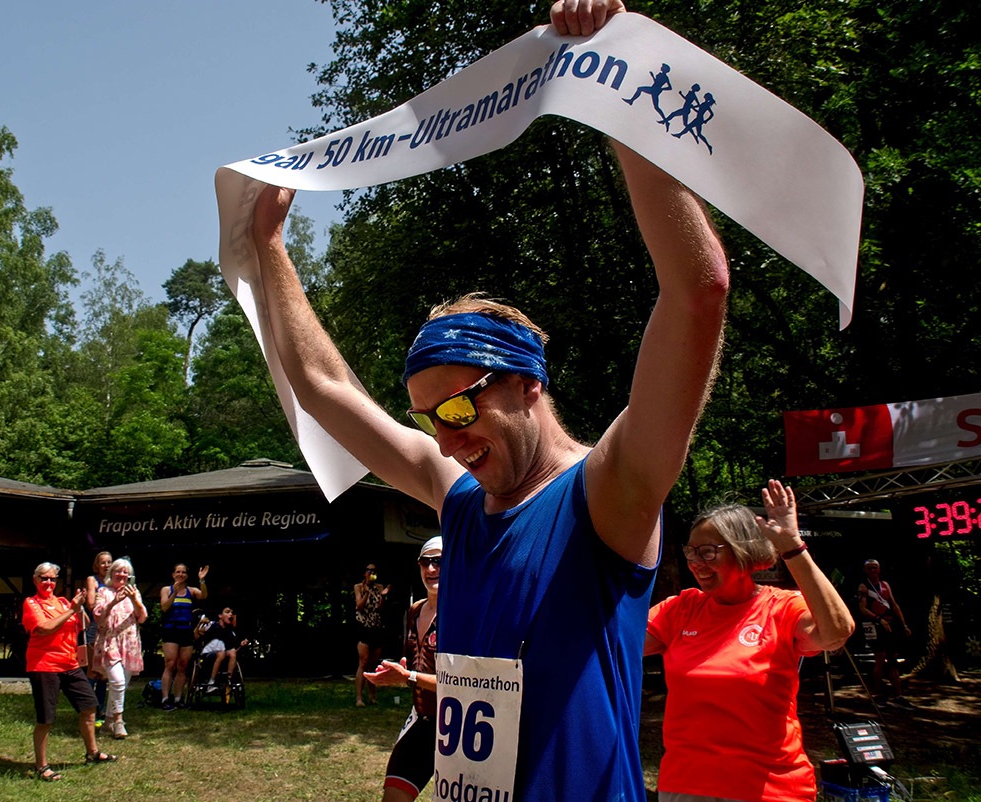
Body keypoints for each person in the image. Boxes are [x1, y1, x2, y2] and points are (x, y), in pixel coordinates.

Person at [247, 2, 728, 796]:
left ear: (527, 383)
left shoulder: (610, 491)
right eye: (428, 420)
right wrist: (268, 247)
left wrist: (617, 83)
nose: (445, 441)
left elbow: (697, 292)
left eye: (460, 409)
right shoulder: (462, 500)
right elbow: (324, 388)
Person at [645, 480, 855, 801]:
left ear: (742, 551)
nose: (696, 562)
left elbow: (836, 632)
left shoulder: (782, 608)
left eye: (708, 552)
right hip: (686, 785)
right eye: (691, 551)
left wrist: (793, 548)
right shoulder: (681, 609)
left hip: (770, 788)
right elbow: (609, 645)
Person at [22, 562, 117, 782]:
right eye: (44, 578)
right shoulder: (31, 603)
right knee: (46, 718)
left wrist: (80, 606)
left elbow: (83, 624)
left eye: (52, 579)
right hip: (44, 665)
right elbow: (44, 628)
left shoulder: (63, 602)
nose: (48, 583)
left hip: (69, 663)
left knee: (89, 706)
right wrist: (72, 610)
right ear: (35, 580)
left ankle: (92, 753)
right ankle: (41, 766)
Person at [365, 537, 441, 802]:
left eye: (439, 561)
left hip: (455, 726)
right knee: (394, 796)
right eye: (425, 562)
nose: (431, 569)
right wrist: (399, 673)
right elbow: (416, 666)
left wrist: (408, 676)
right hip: (422, 720)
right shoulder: (415, 610)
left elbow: (462, 682)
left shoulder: (462, 613)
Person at [92, 557, 148, 739]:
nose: (122, 575)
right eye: (118, 571)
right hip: (110, 642)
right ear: (111, 573)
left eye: (125, 572)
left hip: (130, 642)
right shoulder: (103, 591)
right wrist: (114, 602)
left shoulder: (134, 592)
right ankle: (119, 721)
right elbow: (98, 617)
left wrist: (135, 600)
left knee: (120, 686)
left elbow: (142, 617)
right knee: (117, 681)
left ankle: (108, 722)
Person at [858, 558, 913, 707]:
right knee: (880, 659)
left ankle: (898, 695)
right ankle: (878, 694)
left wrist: (903, 624)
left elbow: (894, 605)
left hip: (890, 624)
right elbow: (862, 608)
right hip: (875, 625)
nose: (873, 570)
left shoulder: (885, 585)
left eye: (875, 567)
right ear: (865, 571)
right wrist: (878, 619)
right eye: (870, 568)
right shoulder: (864, 587)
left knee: (893, 659)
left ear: (879, 569)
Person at [159, 562, 209, 710]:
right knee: (170, 664)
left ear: (187, 575)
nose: (180, 575)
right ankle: (165, 698)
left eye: (183, 572)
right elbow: (164, 607)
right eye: (178, 572)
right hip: (171, 630)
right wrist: (174, 593)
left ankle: (178, 698)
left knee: (183, 666)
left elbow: (204, 595)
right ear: (173, 574)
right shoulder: (166, 590)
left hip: (186, 631)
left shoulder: (191, 591)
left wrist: (202, 580)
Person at [354, 561, 390, 707]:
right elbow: (359, 606)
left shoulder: (379, 587)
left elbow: (381, 609)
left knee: (373, 664)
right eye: (369, 570)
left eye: (374, 571)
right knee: (363, 662)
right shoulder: (359, 587)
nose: (371, 573)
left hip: (377, 627)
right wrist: (367, 592)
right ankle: (359, 698)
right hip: (364, 627)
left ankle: (372, 696)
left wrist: (383, 596)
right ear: (364, 573)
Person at [84, 551, 112, 725]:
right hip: (94, 628)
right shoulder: (92, 580)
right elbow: (91, 604)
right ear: (97, 566)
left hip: (110, 629)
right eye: (103, 562)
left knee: (104, 674)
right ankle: (87, 708)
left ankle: (100, 710)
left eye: (109, 562)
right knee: (93, 671)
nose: (106, 566)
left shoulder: (115, 581)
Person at [197, 606, 250, 684]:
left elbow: (233, 650)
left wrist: (241, 645)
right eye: (227, 612)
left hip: (223, 656)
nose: (231, 614)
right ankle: (211, 681)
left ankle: (228, 680)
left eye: (231, 612)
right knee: (221, 652)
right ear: (220, 615)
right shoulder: (211, 625)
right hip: (208, 656)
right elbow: (197, 636)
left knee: (232, 652)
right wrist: (200, 625)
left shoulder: (230, 631)